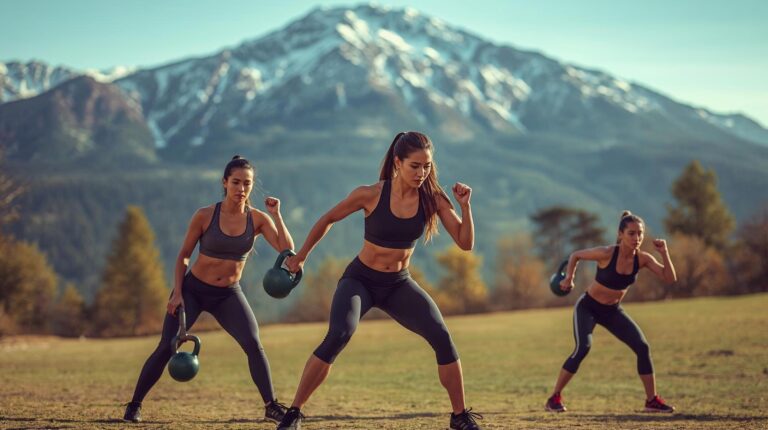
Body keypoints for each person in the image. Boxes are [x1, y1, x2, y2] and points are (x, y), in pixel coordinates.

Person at [275, 132, 484, 430]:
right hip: (361, 280)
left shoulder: (433, 198)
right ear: (397, 163)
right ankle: (293, 413)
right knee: (338, 335)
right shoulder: (370, 194)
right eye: (415, 166)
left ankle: (459, 416)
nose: (421, 173)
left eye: (426, 166)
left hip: (399, 284)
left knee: (442, 337)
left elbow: (465, 243)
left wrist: (465, 206)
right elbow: (327, 219)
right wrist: (302, 256)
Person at [123, 156, 294, 423]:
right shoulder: (205, 215)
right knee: (167, 346)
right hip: (192, 291)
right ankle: (134, 405)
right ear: (224, 183)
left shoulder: (258, 219)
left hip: (228, 294)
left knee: (253, 344)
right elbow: (183, 256)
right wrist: (177, 292)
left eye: (246, 183)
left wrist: (277, 215)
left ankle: (271, 406)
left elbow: (287, 251)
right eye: (235, 182)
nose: (241, 188)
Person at [545, 211, 678, 413]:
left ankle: (651, 400)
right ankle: (554, 397)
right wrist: (569, 278)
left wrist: (665, 253)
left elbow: (669, 278)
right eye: (632, 233)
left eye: (640, 234)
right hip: (588, 307)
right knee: (583, 348)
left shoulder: (643, 259)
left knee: (642, 347)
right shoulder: (607, 253)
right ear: (620, 234)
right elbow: (576, 255)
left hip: (612, 311)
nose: (637, 238)